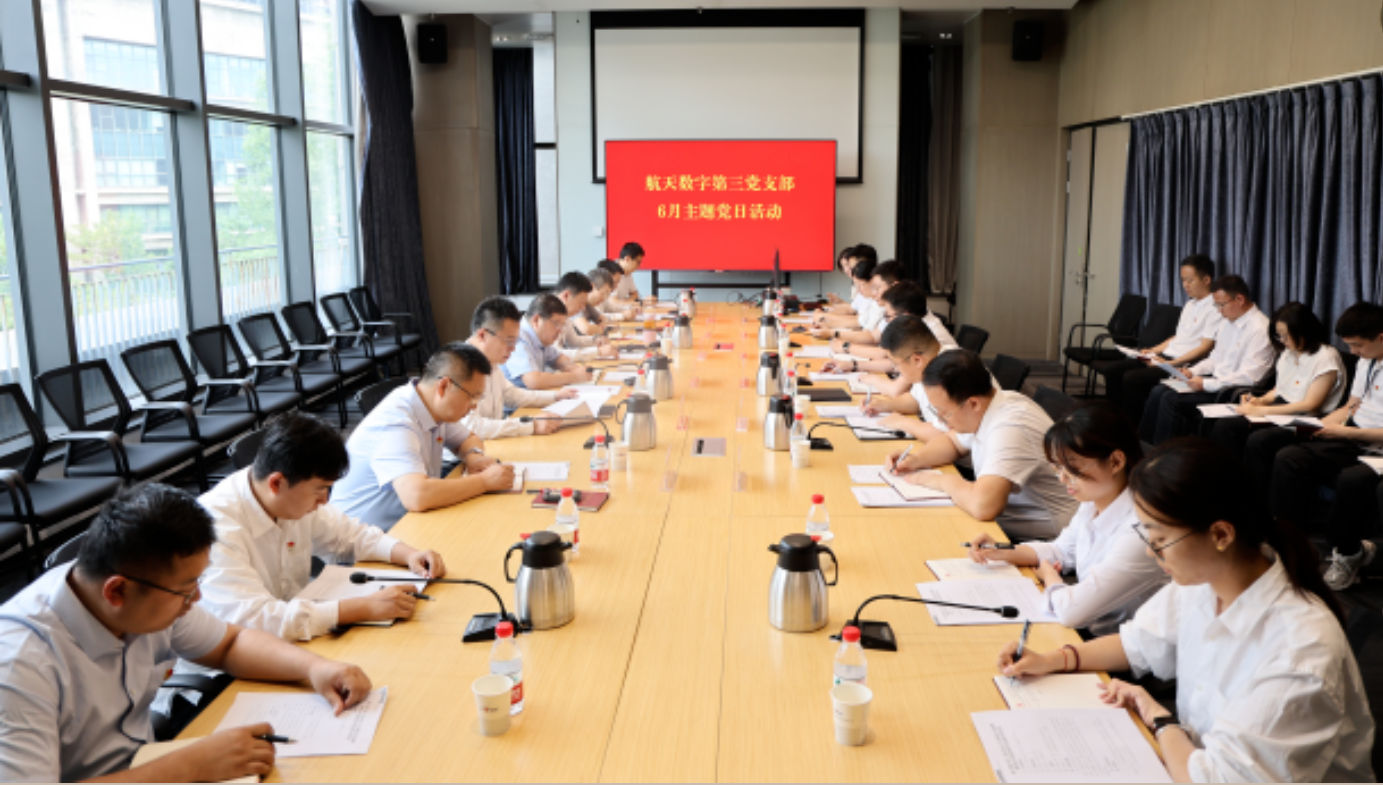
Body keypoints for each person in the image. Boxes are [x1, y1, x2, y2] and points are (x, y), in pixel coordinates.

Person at [996, 439, 1373, 783]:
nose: (1150, 552)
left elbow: (1212, 779)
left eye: (1160, 539)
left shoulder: (1299, 652)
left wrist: (1162, 722)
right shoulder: (1205, 583)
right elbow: (1135, 644)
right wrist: (1052, 660)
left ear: (1221, 535)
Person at [0, 483, 375, 783]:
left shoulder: (146, 594)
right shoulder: (19, 665)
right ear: (116, 592)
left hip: (145, 762)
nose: (196, 598)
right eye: (185, 590)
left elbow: (231, 643)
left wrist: (314, 668)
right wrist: (187, 767)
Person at [964, 403, 1166, 634]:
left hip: (1118, 643)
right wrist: (1003, 552)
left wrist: (1050, 577)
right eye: (1058, 468)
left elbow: (1071, 612)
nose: (1062, 479)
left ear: (1116, 462)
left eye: (1072, 468)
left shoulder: (1141, 529)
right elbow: (1062, 550)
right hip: (1090, 623)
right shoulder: (1094, 499)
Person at [1248, 303, 1383, 590]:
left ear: (1381, 337)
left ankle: (1348, 553)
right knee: (1290, 456)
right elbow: (1351, 406)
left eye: (1358, 345)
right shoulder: (1368, 361)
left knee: (1352, 479)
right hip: (1353, 434)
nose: (1353, 352)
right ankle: (1289, 541)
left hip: (1376, 446)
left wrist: (1346, 432)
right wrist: (1318, 428)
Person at [889, 349, 1079, 540]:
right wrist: (915, 460)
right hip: (1007, 519)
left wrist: (939, 481)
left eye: (945, 412)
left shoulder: (1011, 426)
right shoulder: (989, 406)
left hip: (1049, 540)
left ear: (973, 404)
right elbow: (952, 442)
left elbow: (983, 506)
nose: (940, 420)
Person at [332, 343, 514, 531]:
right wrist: (484, 482)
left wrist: (474, 457)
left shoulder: (431, 405)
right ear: (443, 386)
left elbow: (468, 438)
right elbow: (416, 496)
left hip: (406, 522)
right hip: (363, 539)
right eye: (472, 396)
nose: (474, 406)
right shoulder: (396, 423)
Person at [1139, 275, 1274, 445]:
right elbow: (1215, 359)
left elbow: (1250, 378)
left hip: (1231, 392)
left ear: (1240, 299)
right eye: (1217, 306)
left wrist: (1206, 384)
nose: (1219, 311)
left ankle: (1163, 453)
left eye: (1222, 305)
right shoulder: (1227, 322)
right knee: (1159, 390)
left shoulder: (1260, 329)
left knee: (1171, 400)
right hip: (1216, 383)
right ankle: (1145, 447)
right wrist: (1192, 371)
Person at [1209, 302, 1346, 458]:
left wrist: (1262, 411)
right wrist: (1260, 400)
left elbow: (1310, 405)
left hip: (1304, 418)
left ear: (1303, 331)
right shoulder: (1289, 352)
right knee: (1225, 425)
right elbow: (1280, 388)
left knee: (1259, 440)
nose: (1282, 340)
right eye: (1279, 335)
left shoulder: (1326, 357)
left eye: (1286, 335)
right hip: (1281, 410)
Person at [1104, 254, 1221, 422]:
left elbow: (1204, 349)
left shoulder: (1215, 308)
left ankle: (1130, 426)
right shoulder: (1190, 304)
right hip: (1164, 357)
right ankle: (1111, 419)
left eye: (1190, 280)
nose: (1185, 285)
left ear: (1207, 279)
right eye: (1183, 280)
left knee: (1132, 378)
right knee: (1112, 370)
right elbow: (1177, 337)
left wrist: (1169, 363)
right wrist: (1152, 351)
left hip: (1181, 363)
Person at [464, 296, 577, 438]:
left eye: (515, 342)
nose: (513, 348)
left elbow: (512, 395)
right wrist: (530, 425)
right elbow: (471, 426)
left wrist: (555, 396)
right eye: (508, 342)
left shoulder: (491, 361)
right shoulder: (460, 368)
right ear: (482, 335)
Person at [503, 294, 595, 391]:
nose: (560, 331)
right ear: (536, 320)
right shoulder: (518, 337)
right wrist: (575, 376)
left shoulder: (540, 337)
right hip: (517, 400)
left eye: (562, 325)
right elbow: (534, 381)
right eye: (556, 324)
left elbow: (557, 357)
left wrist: (571, 368)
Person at [552, 271, 617, 360]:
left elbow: (574, 342)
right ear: (566, 296)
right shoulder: (549, 313)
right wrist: (598, 352)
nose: (582, 308)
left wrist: (595, 340)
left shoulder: (564, 313)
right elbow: (555, 353)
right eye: (581, 302)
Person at [573, 267, 617, 334]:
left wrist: (600, 326)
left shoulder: (588, 305)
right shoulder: (578, 302)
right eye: (603, 294)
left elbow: (604, 320)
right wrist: (602, 328)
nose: (604, 299)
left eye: (607, 295)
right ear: (592, 287)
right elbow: (586, 329)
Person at [609, 242, 645, 307]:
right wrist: (632, 302)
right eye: (638, 262)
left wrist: (628, 302)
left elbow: (635, 294)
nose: (639, 266)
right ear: (627, 259)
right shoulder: (611, 272)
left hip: (621, 310)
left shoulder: (628, 273)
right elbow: (613, 303)